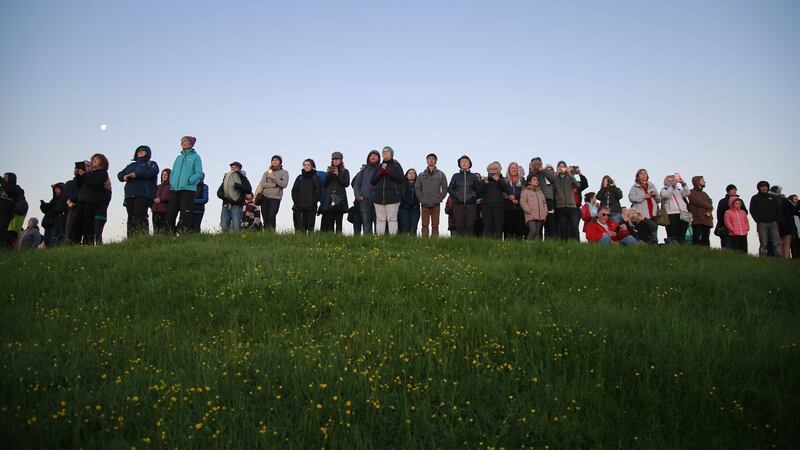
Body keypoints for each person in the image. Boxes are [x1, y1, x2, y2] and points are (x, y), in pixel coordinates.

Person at [117, 145, 159, 237]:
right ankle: (131, 240)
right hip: (129, 194)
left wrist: (137, 175)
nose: (140, 152)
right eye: (138, 151)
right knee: (131, 217)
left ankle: (142, 237)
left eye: (143, 151)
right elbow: (120, 174)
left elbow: (152, 172)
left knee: (140, 214)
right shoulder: (130, 165)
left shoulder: (151, 163)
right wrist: (123, 177)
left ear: (147, 153)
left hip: (144, 194)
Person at [168, 136, 204, 234]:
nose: (182, 143)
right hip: (175, 189)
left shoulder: (196, 157)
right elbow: (173, 172)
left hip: (188, 189)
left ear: (191, 143)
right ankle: (170, 234)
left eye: (185, 141)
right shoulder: (178, 158)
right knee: (171, 213)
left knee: (186, 213)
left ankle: (184, 233)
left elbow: (199, 173)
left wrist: (189, 181)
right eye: (181, 141)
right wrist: (172, 182)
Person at [75, 154, 109, 245]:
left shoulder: (103, 173)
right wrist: (78, 175)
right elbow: (79, 185)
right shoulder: (89, 174)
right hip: (82, 200)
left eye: (96, 159)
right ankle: (76, 243)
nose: (94, 160)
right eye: (93, 159)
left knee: (88, 224)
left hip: (91, 201)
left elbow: (97, 184)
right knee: (78, 223)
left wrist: (85, 175)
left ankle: (87, 244)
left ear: (102, 161)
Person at [370, 146, 404, 235]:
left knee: (392, 219)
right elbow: (372, 181)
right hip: (378, 198)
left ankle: (392, 239)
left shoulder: (396, 165)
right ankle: (379, 239)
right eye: (384, 151)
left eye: (387, 151)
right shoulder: (379, 166)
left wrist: (389, 171)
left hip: (393, 198)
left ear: (391, 154)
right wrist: (380, 172)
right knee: (380, 219)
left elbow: (401, 178)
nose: (385, 153)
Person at [447, 155, 482, 237]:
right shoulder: (455, 176)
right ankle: (460, 243)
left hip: (471, 204)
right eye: (462, 162)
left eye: (466, 161)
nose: (464, 163)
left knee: (470, 225)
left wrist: (472, 196)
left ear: (469, 164)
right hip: (458, 204)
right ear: (459, 164)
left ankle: (469, 243)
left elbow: (478, 190)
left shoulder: (473, 176)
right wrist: (457, 196)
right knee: (459, 225)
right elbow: (450, 189)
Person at [415, 153, 448, 238]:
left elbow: (445, 188)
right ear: (426, 161)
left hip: (436, 204)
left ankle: (434, 242)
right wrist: (421, 199)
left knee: (435, 225)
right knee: (424, 225)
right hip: (424, 204)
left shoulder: (441, 174)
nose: (431, 160)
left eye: (433, 159)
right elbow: (417, 188)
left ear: (436, 161)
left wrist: (439, 199)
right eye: (429, 158)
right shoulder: (421, 175)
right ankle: (424, 242)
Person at [254, 155, 289, 231]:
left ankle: (272, 232)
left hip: (276, 198)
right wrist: (275, 185)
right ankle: (266, 234)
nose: (274, 161)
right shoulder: (267, 173)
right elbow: (263, 184)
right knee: (265, 217)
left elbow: (284, 184)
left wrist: (274, 178)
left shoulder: (284, 172)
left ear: (280, 162)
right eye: (273, 160)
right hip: (265, 197)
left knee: (271, 216)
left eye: (276, 160)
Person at [549, 161, 581, 241]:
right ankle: (564, 245)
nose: (561, 168)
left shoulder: (569, 177)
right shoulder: (555, 178)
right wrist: (555, 175)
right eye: (559, 166)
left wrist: (570, 174)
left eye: (563, 166)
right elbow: (552, 189)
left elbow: (577, 185)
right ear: (557, 168)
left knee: (575, 227)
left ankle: (577, 244)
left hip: (572, 206)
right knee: (563, 228)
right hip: (560, 207)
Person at [749, 180, 782, 257]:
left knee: (776, 242)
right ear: (759, 188)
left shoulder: (773, 197)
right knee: (763, 243)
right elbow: (752, 210)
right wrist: (758, 220)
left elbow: (778, 209)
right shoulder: (755, 198)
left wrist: (776, 220)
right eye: (762, 186)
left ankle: (778, 258)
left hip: (773, 223)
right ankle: (762, 258)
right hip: (762, 223)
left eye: (765, 186)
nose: (764, 188)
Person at [217, 161, 252, 232]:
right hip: (226, 205)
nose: (232, 169)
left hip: (237, 205)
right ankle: (225, 241)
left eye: (234, 168)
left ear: (239, 169)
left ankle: (237, 241)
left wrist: (238, 186)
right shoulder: (227, 179)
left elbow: (249, 190)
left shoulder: (243, 179)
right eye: (231, 168)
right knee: (224, 226)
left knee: (236, 226)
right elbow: (219, 192)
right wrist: (224, 196)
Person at [321, 152, 350, 233]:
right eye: (334, 159)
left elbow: (346, 184)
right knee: (330, 221)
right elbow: (325, 184)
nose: (335, 161)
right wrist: (328, 175)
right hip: (330, 198)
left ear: (341, 160)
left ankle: (338, 238)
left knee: (339, 221)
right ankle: (330, 239)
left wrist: (338, 175)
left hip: (340, 198)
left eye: (337, 159)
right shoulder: (329, 171)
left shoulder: (345, 171)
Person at [480, 161, 511, 239]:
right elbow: (478, 193)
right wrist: (484, 183)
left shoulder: (502, 180)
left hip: (499, 208)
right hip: (486, 208)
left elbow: (509, 190)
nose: (493, 171)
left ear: (499, 170)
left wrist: (499, 180)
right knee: (487, 228)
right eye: (490, 169)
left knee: (498, 229)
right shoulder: (484, 181)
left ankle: (498, 247)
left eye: (495, 169)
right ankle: (487, 246)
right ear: (488, 171)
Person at [628, 169, 660, 243]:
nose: (644, 175)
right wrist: (644, 196)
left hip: (653, 215)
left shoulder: (651, 185)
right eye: (641, 174)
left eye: (645, 173)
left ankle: (654, 248)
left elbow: (659, 200)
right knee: (644, 236)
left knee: (654, 236)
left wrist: (656, 195)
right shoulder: (635, 187)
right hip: (642, 216)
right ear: (638, 176)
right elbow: (631, 198)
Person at [352, 150, 380, 234]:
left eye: (375, 155)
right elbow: (356, 184)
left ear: (378, 158)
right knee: (366, 222)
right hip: (365, 200)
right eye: (371, 155)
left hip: (378, 200)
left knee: (378, 222)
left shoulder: (380, 170)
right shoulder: (363, 171)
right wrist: (358, 196)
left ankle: (378, 241)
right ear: (368, 158)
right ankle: (367, 242)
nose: (373, 157)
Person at [528, 158, 556, 239]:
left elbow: (553, 179)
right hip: (537, 200)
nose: (536, 165)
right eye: (534, 163)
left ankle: (550, 242)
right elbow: (528, 181)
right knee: (538, 223)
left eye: (538, 163)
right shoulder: (533, 173)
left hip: (548, 199)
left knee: (550, 223)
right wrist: (531, 169)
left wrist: (542, 169)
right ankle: (538, 242)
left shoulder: (546, 172)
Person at [291, 159, 321, 234]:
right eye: (305, 165)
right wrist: (296, 201)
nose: (306, 167)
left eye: (308, 165)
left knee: (310, 226)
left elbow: (318, 191)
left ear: (312, 166)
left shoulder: (315, 177)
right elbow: (294, 190)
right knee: (300, 226)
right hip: (299, 205)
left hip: (311, 205)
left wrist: (313, 201)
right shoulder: (299, 178)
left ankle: (310, 242)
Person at [660, 173, 690, 244]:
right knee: (673, 233)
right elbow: (666, 195)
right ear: (665, 182)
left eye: (673, 180)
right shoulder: (664, 189)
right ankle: (672, 247)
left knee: (683, 232)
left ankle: (681, 247)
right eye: (669, 181)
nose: (671, 182)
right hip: (671, 213)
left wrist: (683, 183)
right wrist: (671, 187)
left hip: (683, 212)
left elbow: (687, 193)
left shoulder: (679, 190)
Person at [714, 184, 745, 248]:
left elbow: (744, 212)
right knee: (726, 244)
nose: (734, 191)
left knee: (738, 245)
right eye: (732, 189)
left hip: (738, 227)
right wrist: (721, 225)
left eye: (735, 189)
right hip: (725, 227)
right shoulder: (723, 201)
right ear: (728, 191)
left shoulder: (739, 200)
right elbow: (719, 214)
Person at [0, 172, 25, 249]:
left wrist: (1, 180)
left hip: (7, 214)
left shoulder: (16, 188)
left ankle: (4, 247)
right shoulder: (3, 187)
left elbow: (9, 189)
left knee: (3, 231)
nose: (4, 179)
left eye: (6, 177)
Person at [688, 176, 714, 247]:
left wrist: (709, 211)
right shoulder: (691, 192)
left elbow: (710, 203)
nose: (704, 181)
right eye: (702, 180)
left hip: (707, 219)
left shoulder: (705, 194)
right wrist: (709, 207)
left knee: (706, 238)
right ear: (697, 181)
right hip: (697, 219)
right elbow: (697, 202)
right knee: (697, 238)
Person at [503, 162, 527, 239]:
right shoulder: (505, 180)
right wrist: (508, 196)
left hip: (519, 208)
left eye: (515, 168)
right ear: (509, 169)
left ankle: (519, 246)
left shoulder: (522, 181)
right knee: (508, 229)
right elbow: (502, 191)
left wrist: (517, 199)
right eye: (512, 168)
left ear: (518, 170)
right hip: (508, 208)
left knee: (519, 229)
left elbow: (524, 192)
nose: (513, 169)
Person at [520, 174, 547, 241]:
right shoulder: (525, 191)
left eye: (537, 180)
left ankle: (536, 248)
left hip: (540, 216)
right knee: (533, 230)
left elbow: (544, 203)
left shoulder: (540, 192)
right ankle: (527, 246)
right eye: (534, 180)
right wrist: (529, 210)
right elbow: (523, 202)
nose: (536, 181)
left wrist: (545, 212)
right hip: (531, 215)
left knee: (537, 233)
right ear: (529, 182)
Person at [63, 162, 85, 244]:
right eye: (75, 168)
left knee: (79, 230)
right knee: (69, 230)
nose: (76, 170)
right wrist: (68, 201)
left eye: (78, 168)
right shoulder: (69, 183)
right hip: (71, 208)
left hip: (81, 206)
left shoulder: (85, 182)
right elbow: (65, 196)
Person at [39, 182, 67, 247]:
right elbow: (48, 210)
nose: (56, 191)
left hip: (58, 223)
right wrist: (43, 205)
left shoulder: (65, 200)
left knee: (55, 239)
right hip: (49, 223)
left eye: (58, 189)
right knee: (48, 239)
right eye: (55, 189)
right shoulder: (53, 200)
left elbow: (60, 209)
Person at [773, 186, 795, 259]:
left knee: (780, 243)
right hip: (786, 222)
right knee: (786, 244)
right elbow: (793, 210)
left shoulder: (772, 200)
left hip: (777, 223)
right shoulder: (785, 200)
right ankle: (786, 258)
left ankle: (782, 259)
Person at [398, 169, 421, 235]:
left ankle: (413, 243)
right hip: (403, 209)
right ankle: (404, 243)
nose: (411, 175)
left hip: (415, 209)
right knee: (404, 228)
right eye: (409, 173)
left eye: (413, 173)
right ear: (406, 175)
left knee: (413, 228)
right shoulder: (402, 185)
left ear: (415, 175)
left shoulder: (418, 185)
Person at [152, 169, 172, 234]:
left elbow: (170, 197)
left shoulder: (171, 187)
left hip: (164, 211)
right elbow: (153, 196)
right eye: (163, 174)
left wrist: (161, 199)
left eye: (166, 174)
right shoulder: (158, 187)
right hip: (155, 210)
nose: (164, 176)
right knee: (156, 229)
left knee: (164, 229)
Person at [93, 177, 112, 245]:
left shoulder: (107, 191)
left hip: (100, 214)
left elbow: (103, 200)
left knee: (97, 233)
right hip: (99, 214)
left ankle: (99, 245)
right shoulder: (106, 191)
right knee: (96, 233)